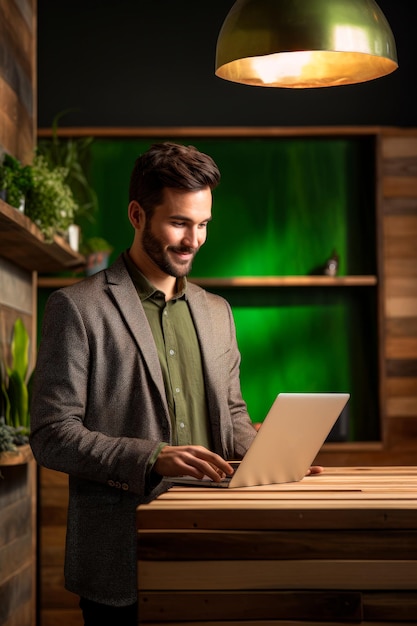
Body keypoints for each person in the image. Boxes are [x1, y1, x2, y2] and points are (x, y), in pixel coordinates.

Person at [30, 142, 322, 625]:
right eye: (179, 223)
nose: (194, 240)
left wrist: (274, 454)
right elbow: (51, 435)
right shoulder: (77, 308)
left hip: (217, 548)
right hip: (121, 563)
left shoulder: (217, 313)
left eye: (203, 224)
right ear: (137, 214)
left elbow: (230, 417)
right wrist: (151, 457)